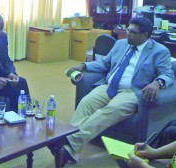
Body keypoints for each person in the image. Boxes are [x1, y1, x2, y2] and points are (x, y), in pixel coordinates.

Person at [62, 17, 175, 166]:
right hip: (109, 86)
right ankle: (70, 149)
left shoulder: (159, 51)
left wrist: (157, 82)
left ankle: (67, 143)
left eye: (133, 32)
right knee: (86, 103)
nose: (127, 34)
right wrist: (83, 66)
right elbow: (104, 63)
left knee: (108, 111)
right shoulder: (120, 44)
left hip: (132, 92)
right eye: (128, 30)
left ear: (145, 35)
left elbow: (167, 74)